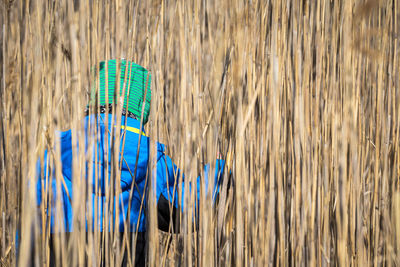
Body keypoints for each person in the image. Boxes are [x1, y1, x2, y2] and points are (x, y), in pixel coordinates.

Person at [34, 59, 225, 266]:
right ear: (143, 106)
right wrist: (217, 173)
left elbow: (28, 224)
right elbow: (181, 211)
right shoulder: (151, 158)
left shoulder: (54, 154)